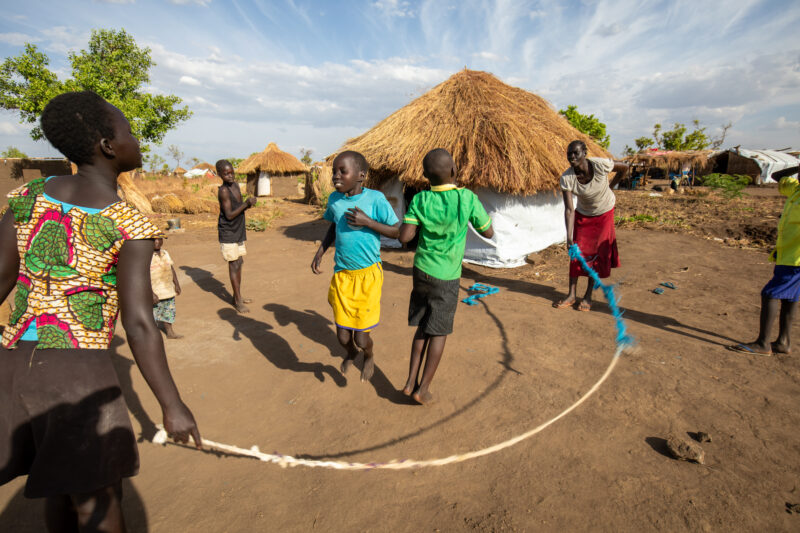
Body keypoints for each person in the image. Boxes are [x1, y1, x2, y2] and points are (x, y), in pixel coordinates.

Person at [0, 91, 201, 532]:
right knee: (98, 500)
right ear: (109, 148)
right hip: (76, 373)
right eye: (128, 130)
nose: (136, 137)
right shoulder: (128, 223)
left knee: (56, 484)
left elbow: (0, 279)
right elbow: (140, 322)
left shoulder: (27, 197)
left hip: (14, 364)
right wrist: (172, 405)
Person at [398, 149, 494, 404]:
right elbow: (489, 232)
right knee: (438, 332)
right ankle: (423, 389)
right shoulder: (467, 199)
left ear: (424, 176)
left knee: (422, 326)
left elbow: (405, 237)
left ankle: (410, 382)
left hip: (421, 273)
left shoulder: (420, 199)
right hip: (447, 277)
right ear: (454, 171)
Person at [311, 151, 399, 382]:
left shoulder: (376, 199)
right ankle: (350, 353)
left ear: (361, 175)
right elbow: (334, 226)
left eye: (342, 171)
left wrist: (368, 222)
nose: (336, 176)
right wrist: (321, 250)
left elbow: (397, 232)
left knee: (361, 338)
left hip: (368, 276)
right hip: (342, 275)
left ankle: (368, 355)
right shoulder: (334, 200)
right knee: (342, 337)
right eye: (334, 172)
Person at [731, 165, 800, 356]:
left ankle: (763, 343)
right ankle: (783, 342)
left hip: (797, 259)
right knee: (790, 298)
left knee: (770, 294)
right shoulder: (796, 189)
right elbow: (777, 175)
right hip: (787, 255)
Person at [553, 140, 628, 312]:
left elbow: (624, 167)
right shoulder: (567, 177)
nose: (572, 157)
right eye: (569, 154)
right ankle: (571, 295)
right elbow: (569, 209)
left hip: (604, 213)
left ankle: (587, 296)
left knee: (595, 255)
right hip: (583, 214)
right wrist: (569, 237)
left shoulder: (600, 165)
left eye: (576, 153)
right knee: (576, 253)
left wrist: (612, 185)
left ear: (584, 153)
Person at [217, 159, 257, 313]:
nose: (230, 176)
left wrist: (247, 204)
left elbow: (238, 207)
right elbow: (229, 215)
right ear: (219, 174)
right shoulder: (224, 191)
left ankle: (237, 296)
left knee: (239, 262)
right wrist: (246, 204)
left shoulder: (235, 186)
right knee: (234, 264)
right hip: (228, 231)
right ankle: (238, 300)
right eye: (226, 174)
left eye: (231, 172)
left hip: (238, 230)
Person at [151, 237, 183, 339]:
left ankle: (170, 332)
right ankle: (152, 336)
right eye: (154, 240)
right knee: (153, 315)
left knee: (169, 312)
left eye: (159, 239)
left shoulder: (165, 253)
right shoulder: (147, 256)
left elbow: (171, 269)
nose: (157, 242)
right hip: (155, 291)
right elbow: (144, 276)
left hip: (168, 289)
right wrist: (151, 293)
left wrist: (176, 284)